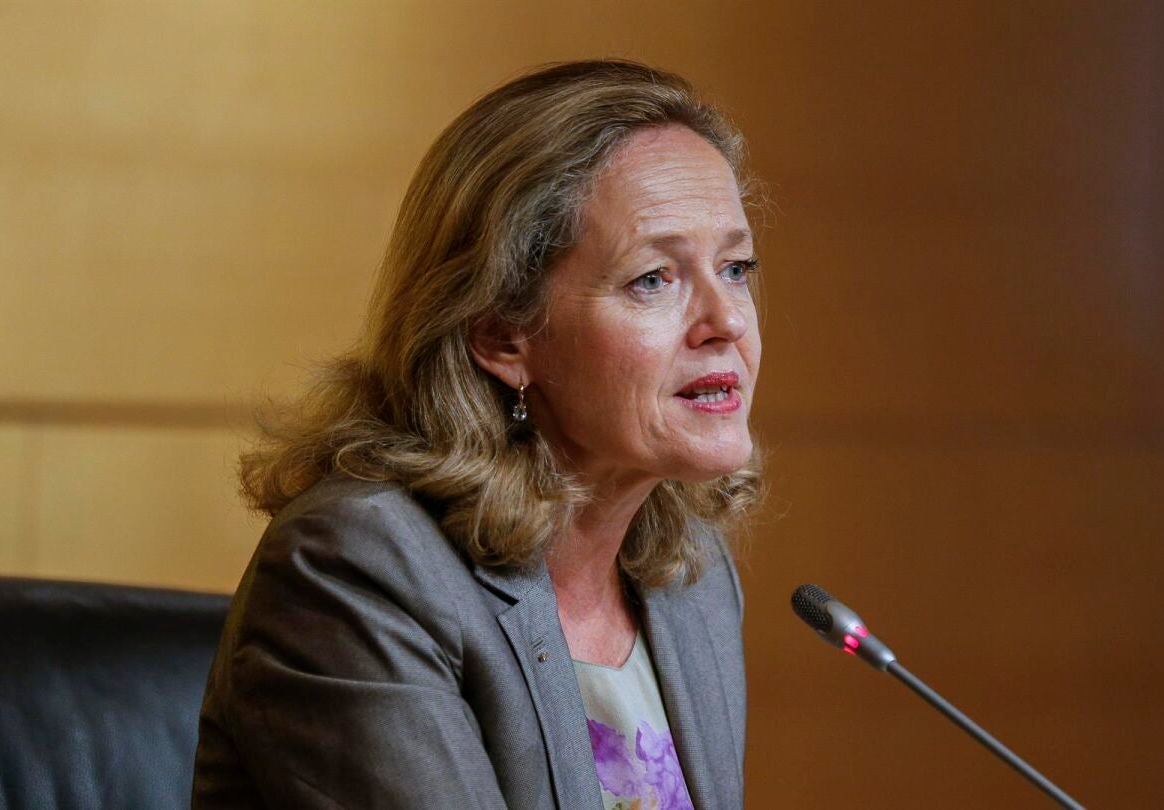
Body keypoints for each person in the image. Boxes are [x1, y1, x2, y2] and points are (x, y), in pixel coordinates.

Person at [192, 59, 764, 810]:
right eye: (653, 278)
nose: (727, 320)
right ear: (501, 335)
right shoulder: (358, 569)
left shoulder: (690, 577)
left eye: (736, 267)